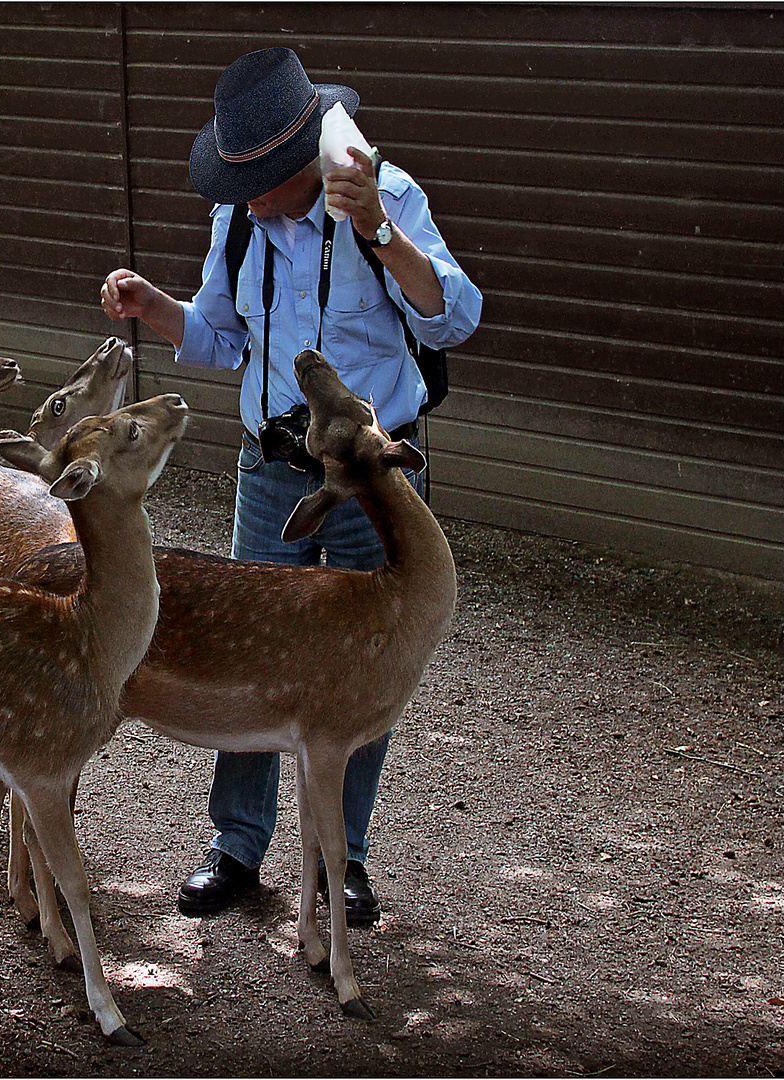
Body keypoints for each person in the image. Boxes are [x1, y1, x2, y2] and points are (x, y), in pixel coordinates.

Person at [100, 47, 482, 923]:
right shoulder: (237, 223)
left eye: (258, 177)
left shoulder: (389, 200)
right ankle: (237, 846)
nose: (240, 194)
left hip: (368, 479)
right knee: (246, 650)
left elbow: (455, 316)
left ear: (302, 160)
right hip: (271, 469)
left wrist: (382, 231)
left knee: (362, 667)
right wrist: (152, 305)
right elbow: (222, 339)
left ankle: (340, 859)